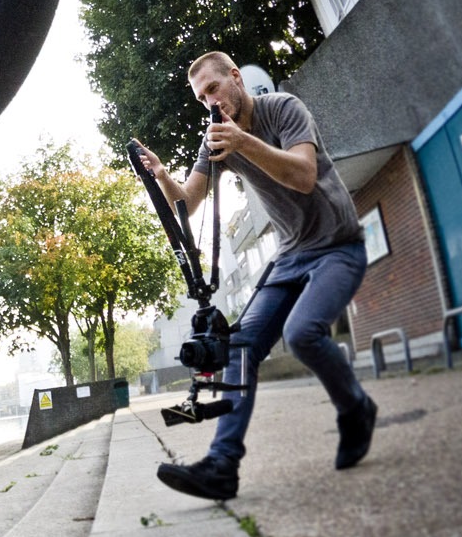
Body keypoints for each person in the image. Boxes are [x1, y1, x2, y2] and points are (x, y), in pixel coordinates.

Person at [134, 50, 377, 500]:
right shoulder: (216, 139)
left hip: (338, 245)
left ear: (236, 78)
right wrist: (164, 176)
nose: (209, 101)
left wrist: (242, 143)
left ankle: (356, 408)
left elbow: (303, 176)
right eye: (201, 97)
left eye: (213, 88)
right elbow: (189, 202)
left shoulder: (283, 109)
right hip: (290, 256)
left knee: (302, 333)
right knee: (240, 347)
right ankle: (222, 465)